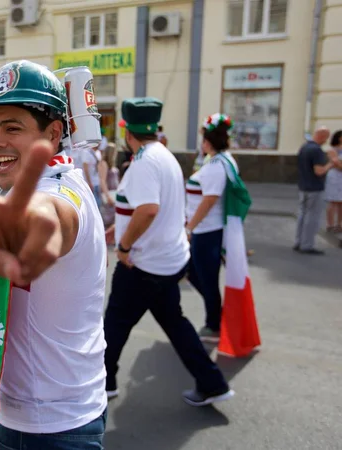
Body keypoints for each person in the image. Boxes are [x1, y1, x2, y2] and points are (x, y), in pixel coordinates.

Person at [0, 60, 107, 449]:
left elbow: (51, 219)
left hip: (54, 430)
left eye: (13, 128)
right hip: (31, 415)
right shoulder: (47, 180)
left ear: (53, 132)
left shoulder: (58, 194)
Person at [104, 98, 233, 407]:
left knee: (114, 325)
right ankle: (213, 383)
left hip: (143, 264)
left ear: (128, 131)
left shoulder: (144, 162)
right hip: (167, 261)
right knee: (176, 324)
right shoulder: (163, 155)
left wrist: (123, 246)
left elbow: (148, 210)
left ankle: (103, 383)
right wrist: (117, 230)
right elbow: (145, 208)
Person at [185, 114, 239, 342]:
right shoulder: (219, 160)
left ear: (209, 141)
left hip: (207, 231)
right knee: (195, 273)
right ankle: (216, 312)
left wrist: (190, 227)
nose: (202, 143)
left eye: (204, 139)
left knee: (206, 278)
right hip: (206, 230)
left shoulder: (217, 165)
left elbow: (209, 200)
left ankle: (214, 323)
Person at [295, 127, 333, 254]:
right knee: (312, 217)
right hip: (315, 188)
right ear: (322, 136)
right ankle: (307, 245)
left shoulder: (304, 147)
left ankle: (298, 241)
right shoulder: (317, 151)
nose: (326, 141)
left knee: (302, 215)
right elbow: (319, 171)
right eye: (326, 138)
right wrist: (331, 163)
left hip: (303, 186)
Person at [324, 130, 342, 233]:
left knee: (341, 202)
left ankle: (339, 224)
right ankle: (330, 224)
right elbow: (336, 163)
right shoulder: (332, 150)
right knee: (333, 201)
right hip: (335, 177)